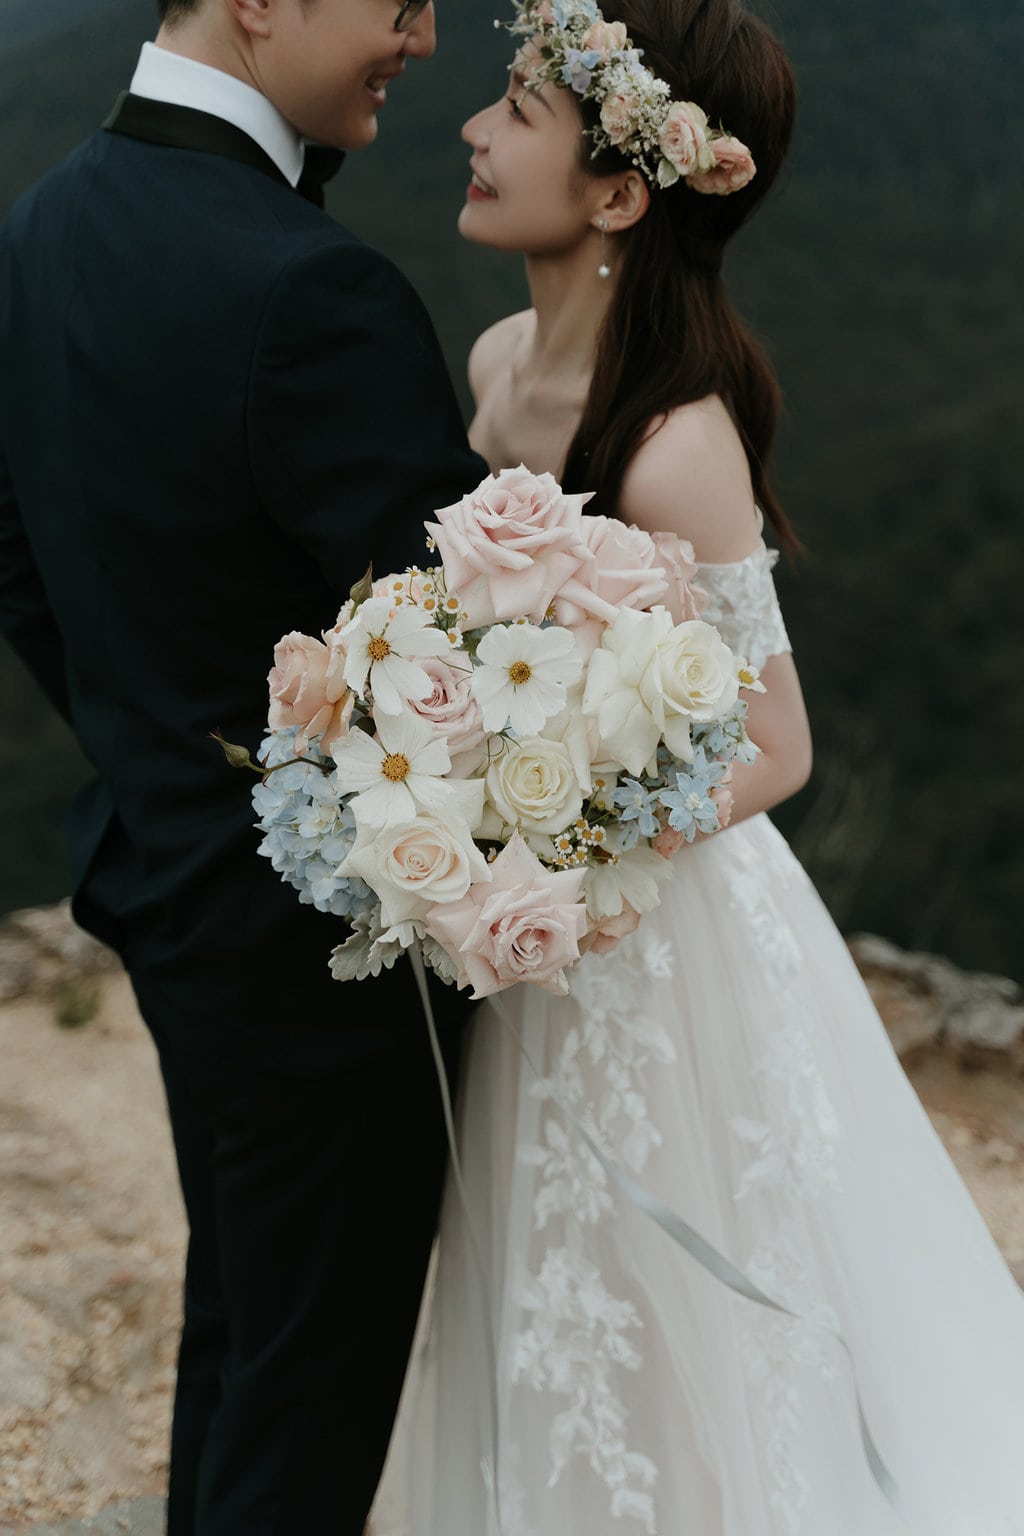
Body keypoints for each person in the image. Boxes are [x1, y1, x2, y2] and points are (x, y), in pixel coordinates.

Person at [371, 2, 1024, 1532]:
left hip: (654, 940)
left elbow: (778, 746)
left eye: (521, 108)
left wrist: (563, 858)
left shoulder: (676, 445)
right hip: (527, 927)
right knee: (546, 1275)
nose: (474, 128)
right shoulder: (490, 362)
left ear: (618, 191)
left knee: (677, 1277)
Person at [0, 0, 485, 1531]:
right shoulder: (315, 285)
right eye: (394, 1)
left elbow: (23, 564)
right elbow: (449, 675)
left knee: (249, 1345)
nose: (419, 34)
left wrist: (171, 760)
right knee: (308, 1406)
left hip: (165, 880)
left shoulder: (47, 217)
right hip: (321, 949)